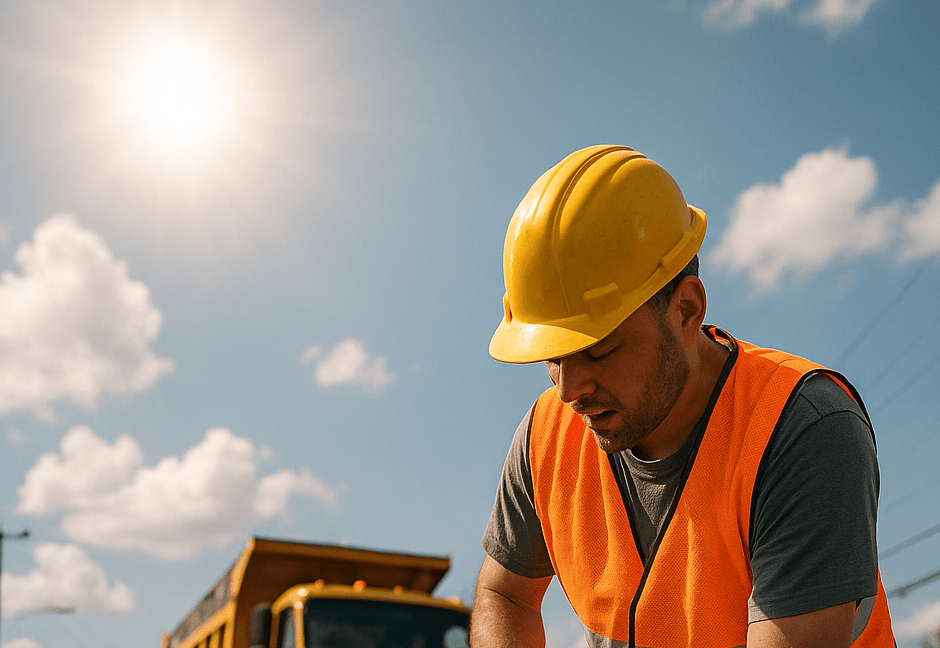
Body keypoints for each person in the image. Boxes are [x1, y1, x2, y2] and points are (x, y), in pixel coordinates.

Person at [471, 145, 896, 648]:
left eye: (599, 351)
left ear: (687, 309)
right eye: (553, 357)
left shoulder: (803, 428)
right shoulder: (548, 435)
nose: (569, 390)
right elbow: (506, 595)